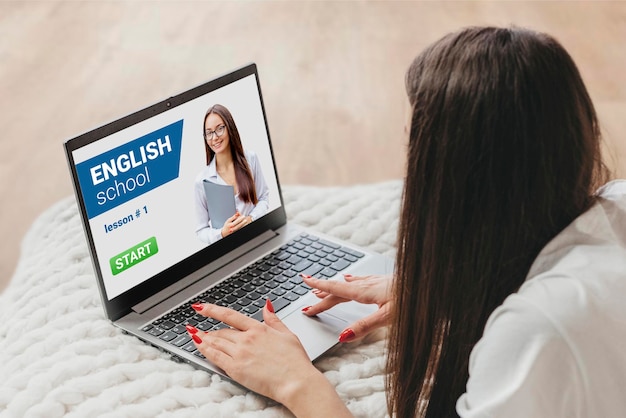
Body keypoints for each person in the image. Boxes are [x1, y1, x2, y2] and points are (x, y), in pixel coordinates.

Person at [185, 26, 626, 417]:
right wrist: (441, 297)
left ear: (457, 183)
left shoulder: (536, 333)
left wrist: (297, 384)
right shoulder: (616, 201)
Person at [194, 104, 270, 244]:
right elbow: (201, 230)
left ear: (230, 128)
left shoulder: (250, 159)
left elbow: (264, 198)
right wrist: (221, 233)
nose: (214, 137)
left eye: (220, 129)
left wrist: (250, 219)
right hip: (227, 249)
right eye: (209, 133)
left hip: (257, 239)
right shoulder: (202, 181)